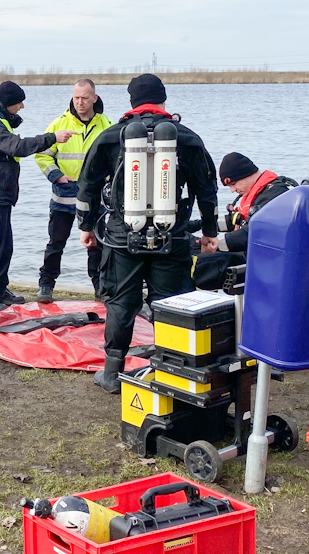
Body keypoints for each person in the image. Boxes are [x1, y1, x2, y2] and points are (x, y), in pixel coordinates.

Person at [75, 74, 220, 392]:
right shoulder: (187, 138)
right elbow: (206, 188)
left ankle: (112, 374)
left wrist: (85, 227)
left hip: (122, 236)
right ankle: (177, 371)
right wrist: (209, 231)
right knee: (171, 303)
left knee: (120, 303)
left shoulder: (112, 136)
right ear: (163, 99)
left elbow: (87, 184)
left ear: (130, 101)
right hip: (172, 236)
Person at [0, 81, 76, 312]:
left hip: (0, 195)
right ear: (7, 103)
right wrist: (52, 137)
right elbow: (17, 147)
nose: (23, 106)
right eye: (19, 102)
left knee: (4, 245)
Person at [33, 79, 112, 302]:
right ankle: (46, 285)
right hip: (63, 197)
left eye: (84, 98)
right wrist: (55, 175)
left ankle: (100, 288)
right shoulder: (59, 124)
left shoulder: (107, 126)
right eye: (76, 97)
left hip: (96, 200)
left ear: (94, 98)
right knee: (56, 244)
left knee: (96, 245)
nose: (79, 102)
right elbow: (42, 154)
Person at [201, 152, 298, 256]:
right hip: (251, 253)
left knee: (202, 260)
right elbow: (235, 219)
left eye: (233, 184)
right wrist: (202, 226)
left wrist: (214, 245)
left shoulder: (275, 195)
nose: (232, 190)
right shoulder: (256, 193)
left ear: (246, 175)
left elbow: (252, 233)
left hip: (268, 259)